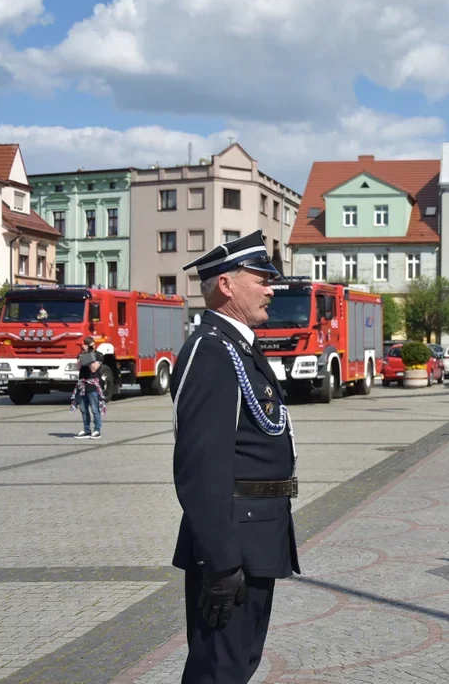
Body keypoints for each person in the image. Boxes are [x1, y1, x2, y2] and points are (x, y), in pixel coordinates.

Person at [171, 230, 299, 683]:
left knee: (238, 665)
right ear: (226, 285)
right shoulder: (212, 352)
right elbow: (200, 469)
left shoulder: (236, 348)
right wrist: (221, 562)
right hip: (234, 547)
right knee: (218, 672)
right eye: (261, 277)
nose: (271, 287)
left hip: (256, 537)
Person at [71, 336, 105, 439]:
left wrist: (89, 355)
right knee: (83, 409)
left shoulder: (99, 355)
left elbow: (94, 369)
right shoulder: (81, 355)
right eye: (90, 346)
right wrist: (83, 354)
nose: (92, 348)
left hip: (93, 385)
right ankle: (86, 430)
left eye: (93, 346)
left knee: (95, 409)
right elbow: (78, 367)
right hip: (82, 384)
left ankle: (97, 430)